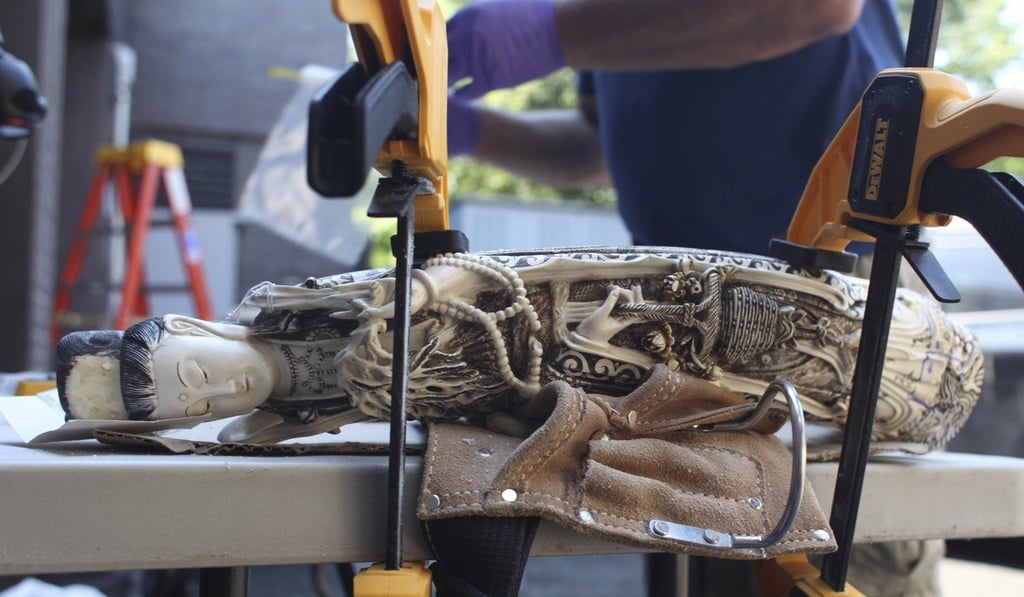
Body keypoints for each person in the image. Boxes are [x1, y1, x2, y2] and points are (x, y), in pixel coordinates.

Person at [442, 1, 946, 595]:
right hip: (679, 314)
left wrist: (552, 35)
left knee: (833, 558)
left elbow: (819, 7)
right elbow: (599, 150)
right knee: (707, 553)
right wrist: (463, 127)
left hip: (836, 291)